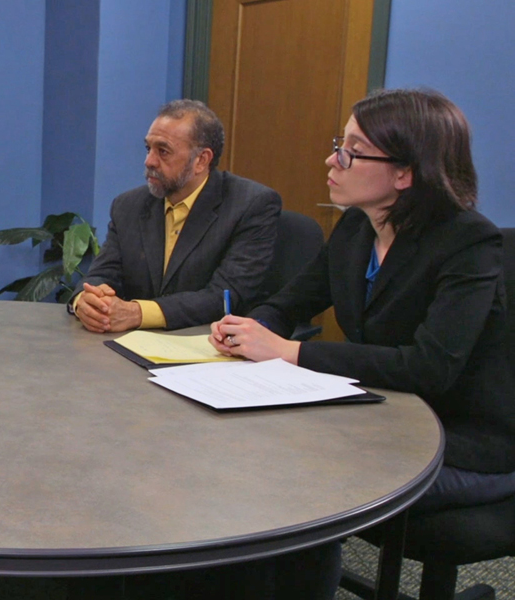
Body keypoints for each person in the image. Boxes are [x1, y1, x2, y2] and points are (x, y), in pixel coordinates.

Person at [210, 88, 515, 597]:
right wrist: (245, 328)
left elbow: (428, 368)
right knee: (252, 454)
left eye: (352, 149)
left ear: (404, 173)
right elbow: (290, 302)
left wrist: (289, 351)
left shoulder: (469, 243)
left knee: (304, 486)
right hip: (384, 421)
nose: (333, 159)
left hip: (465, 442)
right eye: (339, 143)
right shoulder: (357, 226)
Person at [71, 99, 281, 333]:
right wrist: (85, 302)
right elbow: (102, 274)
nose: (149, 161)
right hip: (132, 345)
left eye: (163, 151)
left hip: (209, 348)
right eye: (148, 148)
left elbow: (225, 296)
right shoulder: (128, 206)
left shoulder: (250, 205)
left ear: (201, 160)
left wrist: (139, 313)